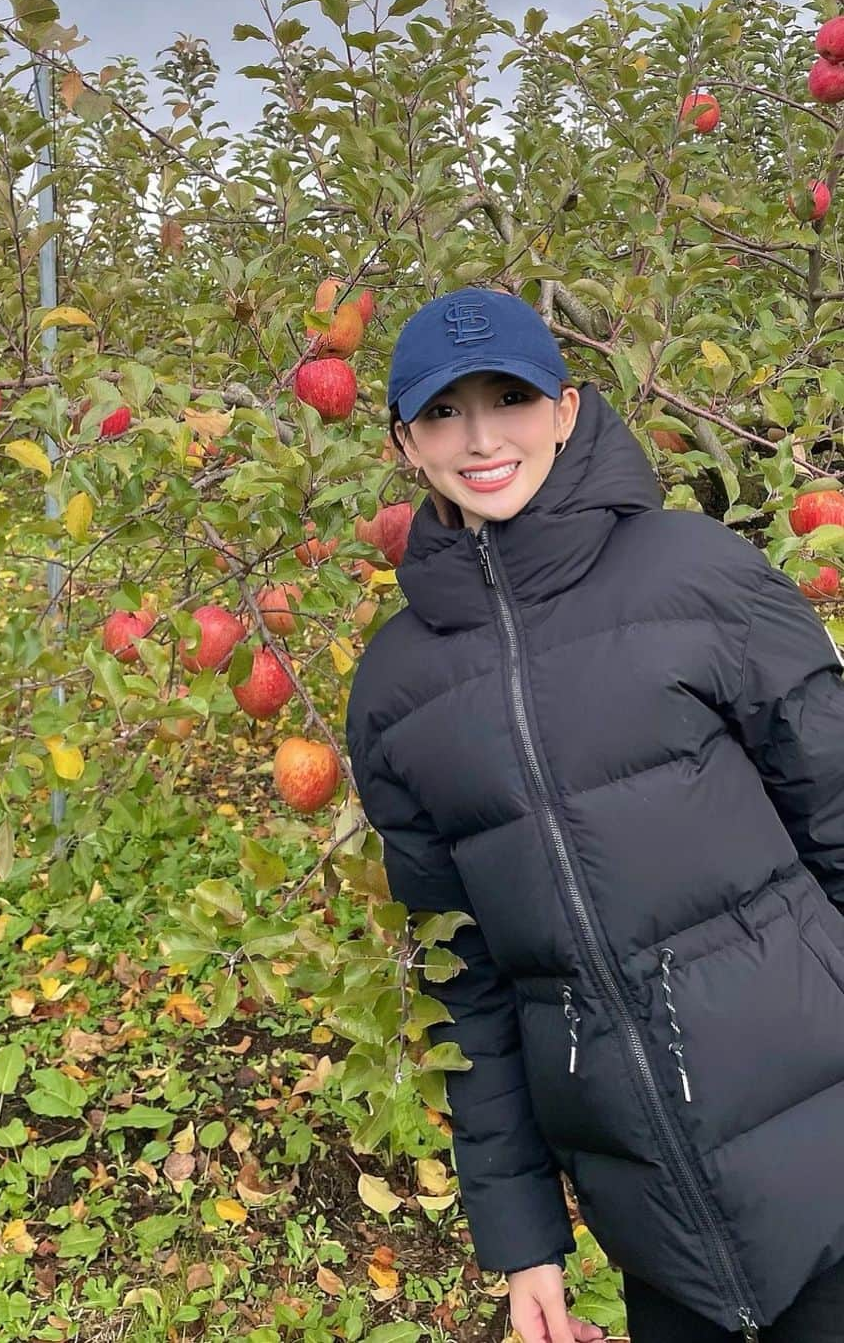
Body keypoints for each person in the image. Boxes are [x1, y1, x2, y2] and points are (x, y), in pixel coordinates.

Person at [343, 287, 844, 1342]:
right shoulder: (394, 690)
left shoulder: (699, 573)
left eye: (511, 397)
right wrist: (524, 1235)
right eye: (444, 412)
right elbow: (464, 982)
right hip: (655, 1225)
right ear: (403, 441)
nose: (482, 438)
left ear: (568, 411)